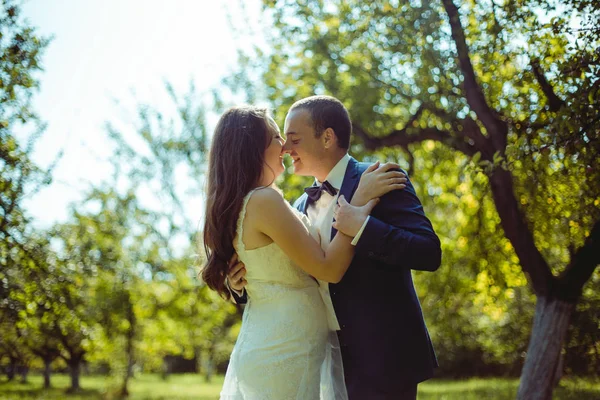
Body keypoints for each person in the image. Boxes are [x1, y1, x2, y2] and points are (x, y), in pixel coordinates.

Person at [228, 96, 442, 399]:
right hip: (321, 356)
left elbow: (428, 252)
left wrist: (363, 228)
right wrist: (243, 285)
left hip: (383, 356)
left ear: (327, 137)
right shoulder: (297, 206)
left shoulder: (380, 178)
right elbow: (292, 273)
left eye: (295, 139)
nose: (286, 149)